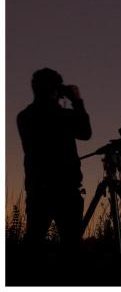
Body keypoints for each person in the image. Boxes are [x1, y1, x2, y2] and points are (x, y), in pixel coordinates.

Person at [17, 68, 92, 251]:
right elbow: (85, 132)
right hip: (66, 191)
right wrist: (76, 100)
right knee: (72, 245)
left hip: (38, 191)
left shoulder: (25, 117)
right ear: (54, 90)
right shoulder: (62, 117)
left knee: (33, 244)